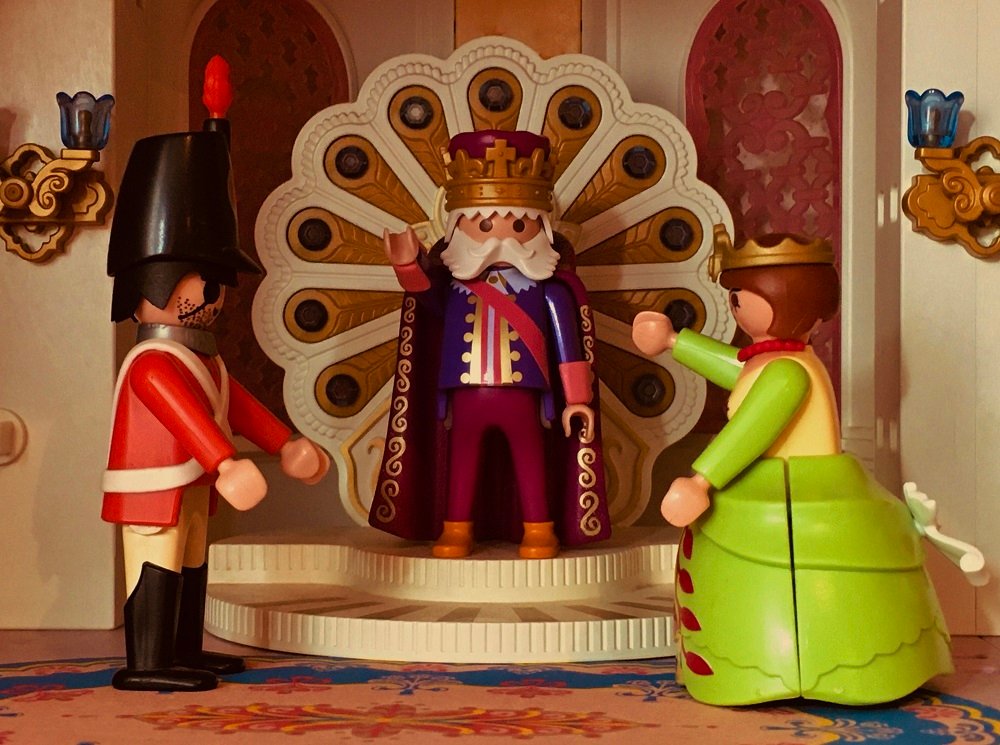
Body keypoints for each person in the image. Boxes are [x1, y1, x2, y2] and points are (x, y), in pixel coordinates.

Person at [632, 232, 951, 705]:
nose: (734, 305)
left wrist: (702, 480)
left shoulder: (787, 372)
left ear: (785, 300)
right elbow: (739, 370)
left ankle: (805, 668)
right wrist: (675, 342)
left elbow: (751, 431)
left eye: (741, 296)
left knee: (785, 563)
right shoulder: (778, 360)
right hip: (783, 483)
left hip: (794, 487)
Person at [103, 121, 329, 692]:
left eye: (214, 281)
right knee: (158, 566)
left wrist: (285, 444)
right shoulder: (153, 362)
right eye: (196, 279)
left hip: (193, 485)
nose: (211, 295)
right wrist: (224, 462)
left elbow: (238, 406)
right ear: (151, 282)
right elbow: (185, 416)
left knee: (191, 564)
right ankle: (149, 662)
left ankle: (183, 651)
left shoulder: (204, 359)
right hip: (155, 489)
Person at [369, 130, 610, 559]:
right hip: (466, 396)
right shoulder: (454, 288)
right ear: (458, 229)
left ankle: (539, 529)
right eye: (483, 225)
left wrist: (577, 400)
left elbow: (567, 346)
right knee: (462, 463)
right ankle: (456, 528)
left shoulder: (550, 292)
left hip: (525, 397)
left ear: (540, 230)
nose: (501, 237)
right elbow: (425, 301)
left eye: (518, 225)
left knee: (530, 461)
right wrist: (407, 266)